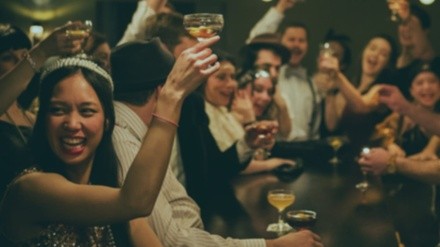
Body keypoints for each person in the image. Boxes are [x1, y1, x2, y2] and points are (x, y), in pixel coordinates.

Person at [0, 33, 220, 246]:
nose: (73, 124)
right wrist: (171, 97)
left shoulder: (110, 189)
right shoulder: (30, 189)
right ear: (42, 119)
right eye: (58, 110)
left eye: (86, 111)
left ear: (107, 122)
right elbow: (136, 202)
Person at [110, 38, 324, 247]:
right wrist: (272, 245)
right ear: (163, 91)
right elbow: (174, 240)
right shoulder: (125, 141)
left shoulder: (144, 131)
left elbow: (189, 194)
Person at [0, 22, 86, 197]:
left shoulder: (30, 115)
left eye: (24, 56)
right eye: (8, 57)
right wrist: (41, 52)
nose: (20, 63)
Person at [247, 0, 321, 141]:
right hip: (272, 146)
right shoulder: (270, 73)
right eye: (291, 39)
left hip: (307, 148)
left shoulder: (311, 83)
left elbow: (315, 124)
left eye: (301, 40)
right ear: (281, 41)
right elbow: (256, 40)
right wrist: (281, 7)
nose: (296, 45)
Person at [319, 34, 398, 150]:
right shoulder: (349, 86)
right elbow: (332, 125)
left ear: (388, 64)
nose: (375, 54)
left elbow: (361, 106)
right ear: (364, 52)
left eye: (383, 54)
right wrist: (330, 91)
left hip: (370, 158)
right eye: (372, 48)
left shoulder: (384, 90)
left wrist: (337, 75)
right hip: (344, 156)